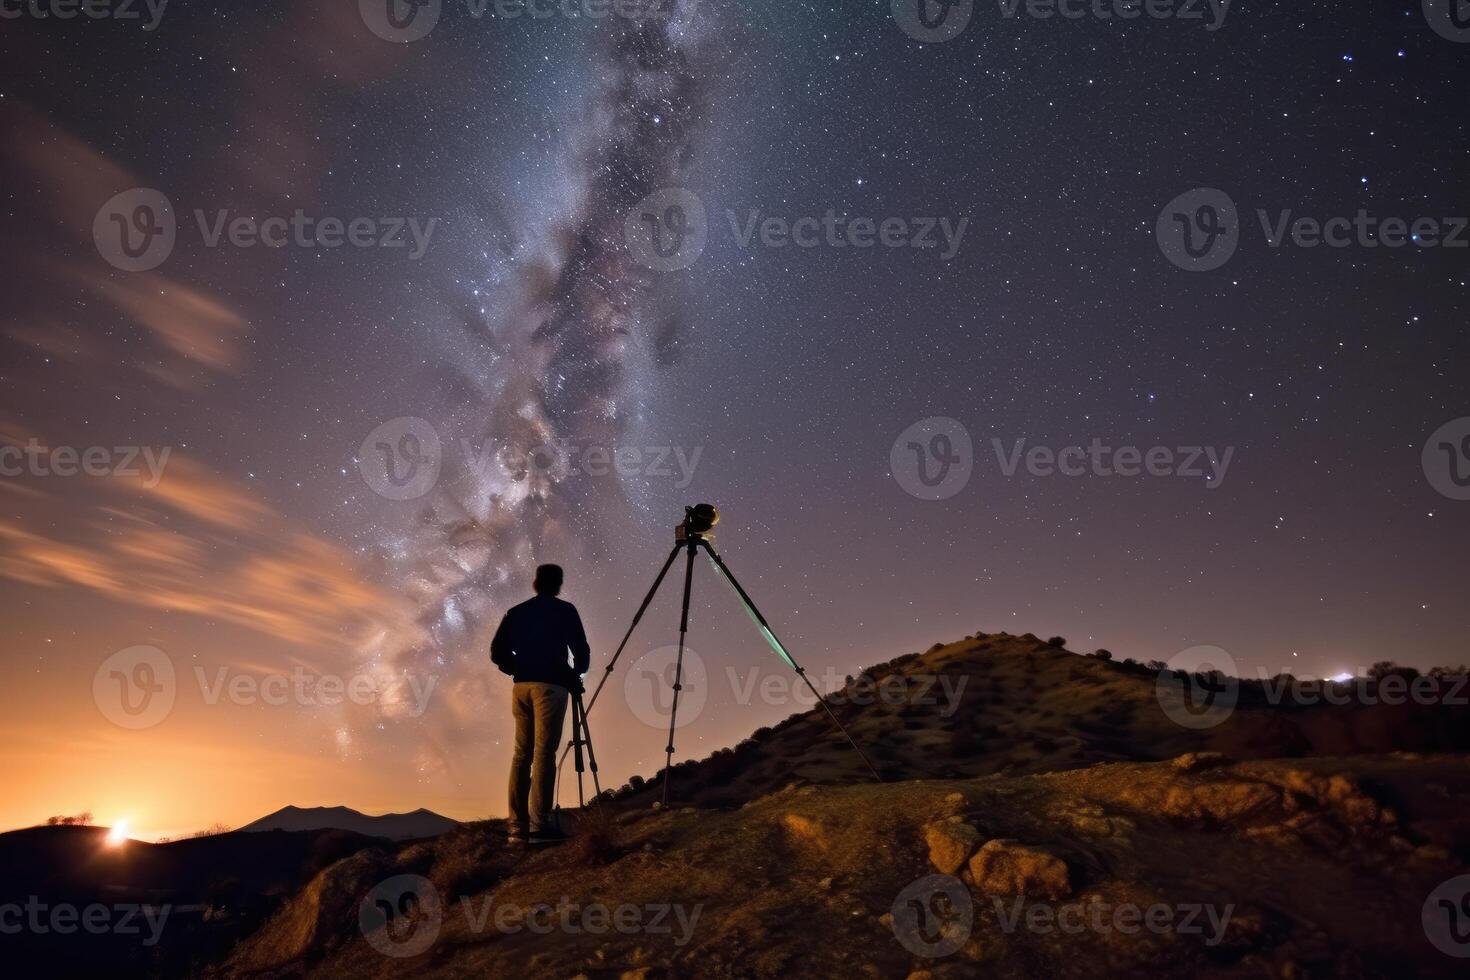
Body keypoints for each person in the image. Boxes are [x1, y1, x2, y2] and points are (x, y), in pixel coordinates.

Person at [490, 563, 590, 845]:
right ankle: (539, 825)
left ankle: (516, 827)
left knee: (521, 754)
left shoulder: (517, 612)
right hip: (551, 687)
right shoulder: (565, 611)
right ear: (558, 584)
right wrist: (575, 674)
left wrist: (517, 668)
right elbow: (581, 649)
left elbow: (497, 651)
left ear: (536, 583)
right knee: (544, 753)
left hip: (521, 688)